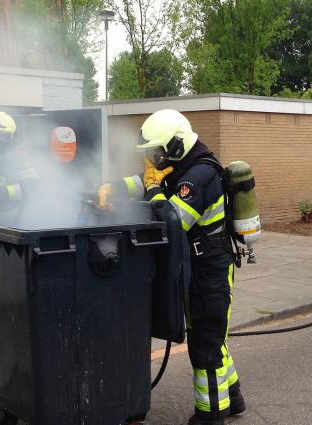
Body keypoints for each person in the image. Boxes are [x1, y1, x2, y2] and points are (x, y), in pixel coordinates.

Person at [99, 109, 245, 425]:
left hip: (210, 270)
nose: (154, 159)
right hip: (198, 267)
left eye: (158, 152)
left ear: (176, 145)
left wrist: (153, 190)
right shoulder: (182, 166)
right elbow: (143, 181)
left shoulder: (200, 176)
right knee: (214, 339)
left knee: (205, 345)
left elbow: (173, 221)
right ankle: (233, 398)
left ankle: (211, 414)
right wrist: (112, 187)